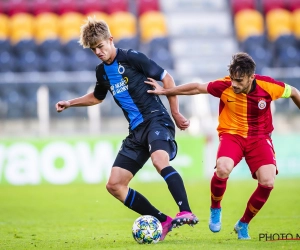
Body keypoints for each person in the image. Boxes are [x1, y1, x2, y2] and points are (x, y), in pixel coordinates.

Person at [55, 17, 198, 241]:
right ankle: (163, 220)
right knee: (114, 185)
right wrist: (70, 103)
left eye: (101, 46)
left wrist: (176, 112)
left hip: (156, 120)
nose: (98, 52)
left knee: (160, 161)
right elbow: (96, 97)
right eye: (94, 49)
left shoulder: (132, 57)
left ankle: (186, 211)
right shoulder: (102, 72)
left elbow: (167, 78)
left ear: (110, 40)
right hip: (136, 131)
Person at [145, 52, 300, 240]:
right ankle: (215, 207)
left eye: (239, 81)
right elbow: (196, 88)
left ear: (252, 77)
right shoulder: (225, 86)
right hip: (232, 135)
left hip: (259, 138)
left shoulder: (269, 87)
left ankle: (243, 224)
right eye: (233, 79)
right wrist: (166, 91)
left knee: (267, 182)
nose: (234, 84)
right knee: (223, 168)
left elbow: (294, 92)